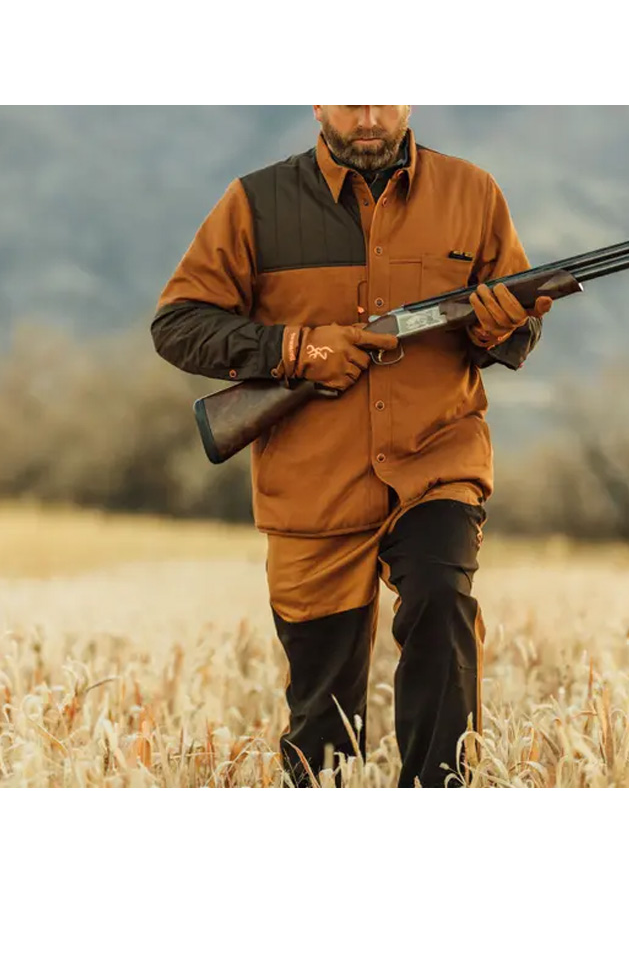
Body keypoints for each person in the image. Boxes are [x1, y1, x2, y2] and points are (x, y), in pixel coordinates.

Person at [151, 105, 552, 787]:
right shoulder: (256, 203)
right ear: (316, 102)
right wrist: (296, 349)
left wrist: (500, 326)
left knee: (440, 601)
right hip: (314, 485)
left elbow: (514, 331)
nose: (368, 115)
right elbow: (178, 325)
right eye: (349, 96)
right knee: (323, 719)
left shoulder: (473, 193)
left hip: (436, 459)